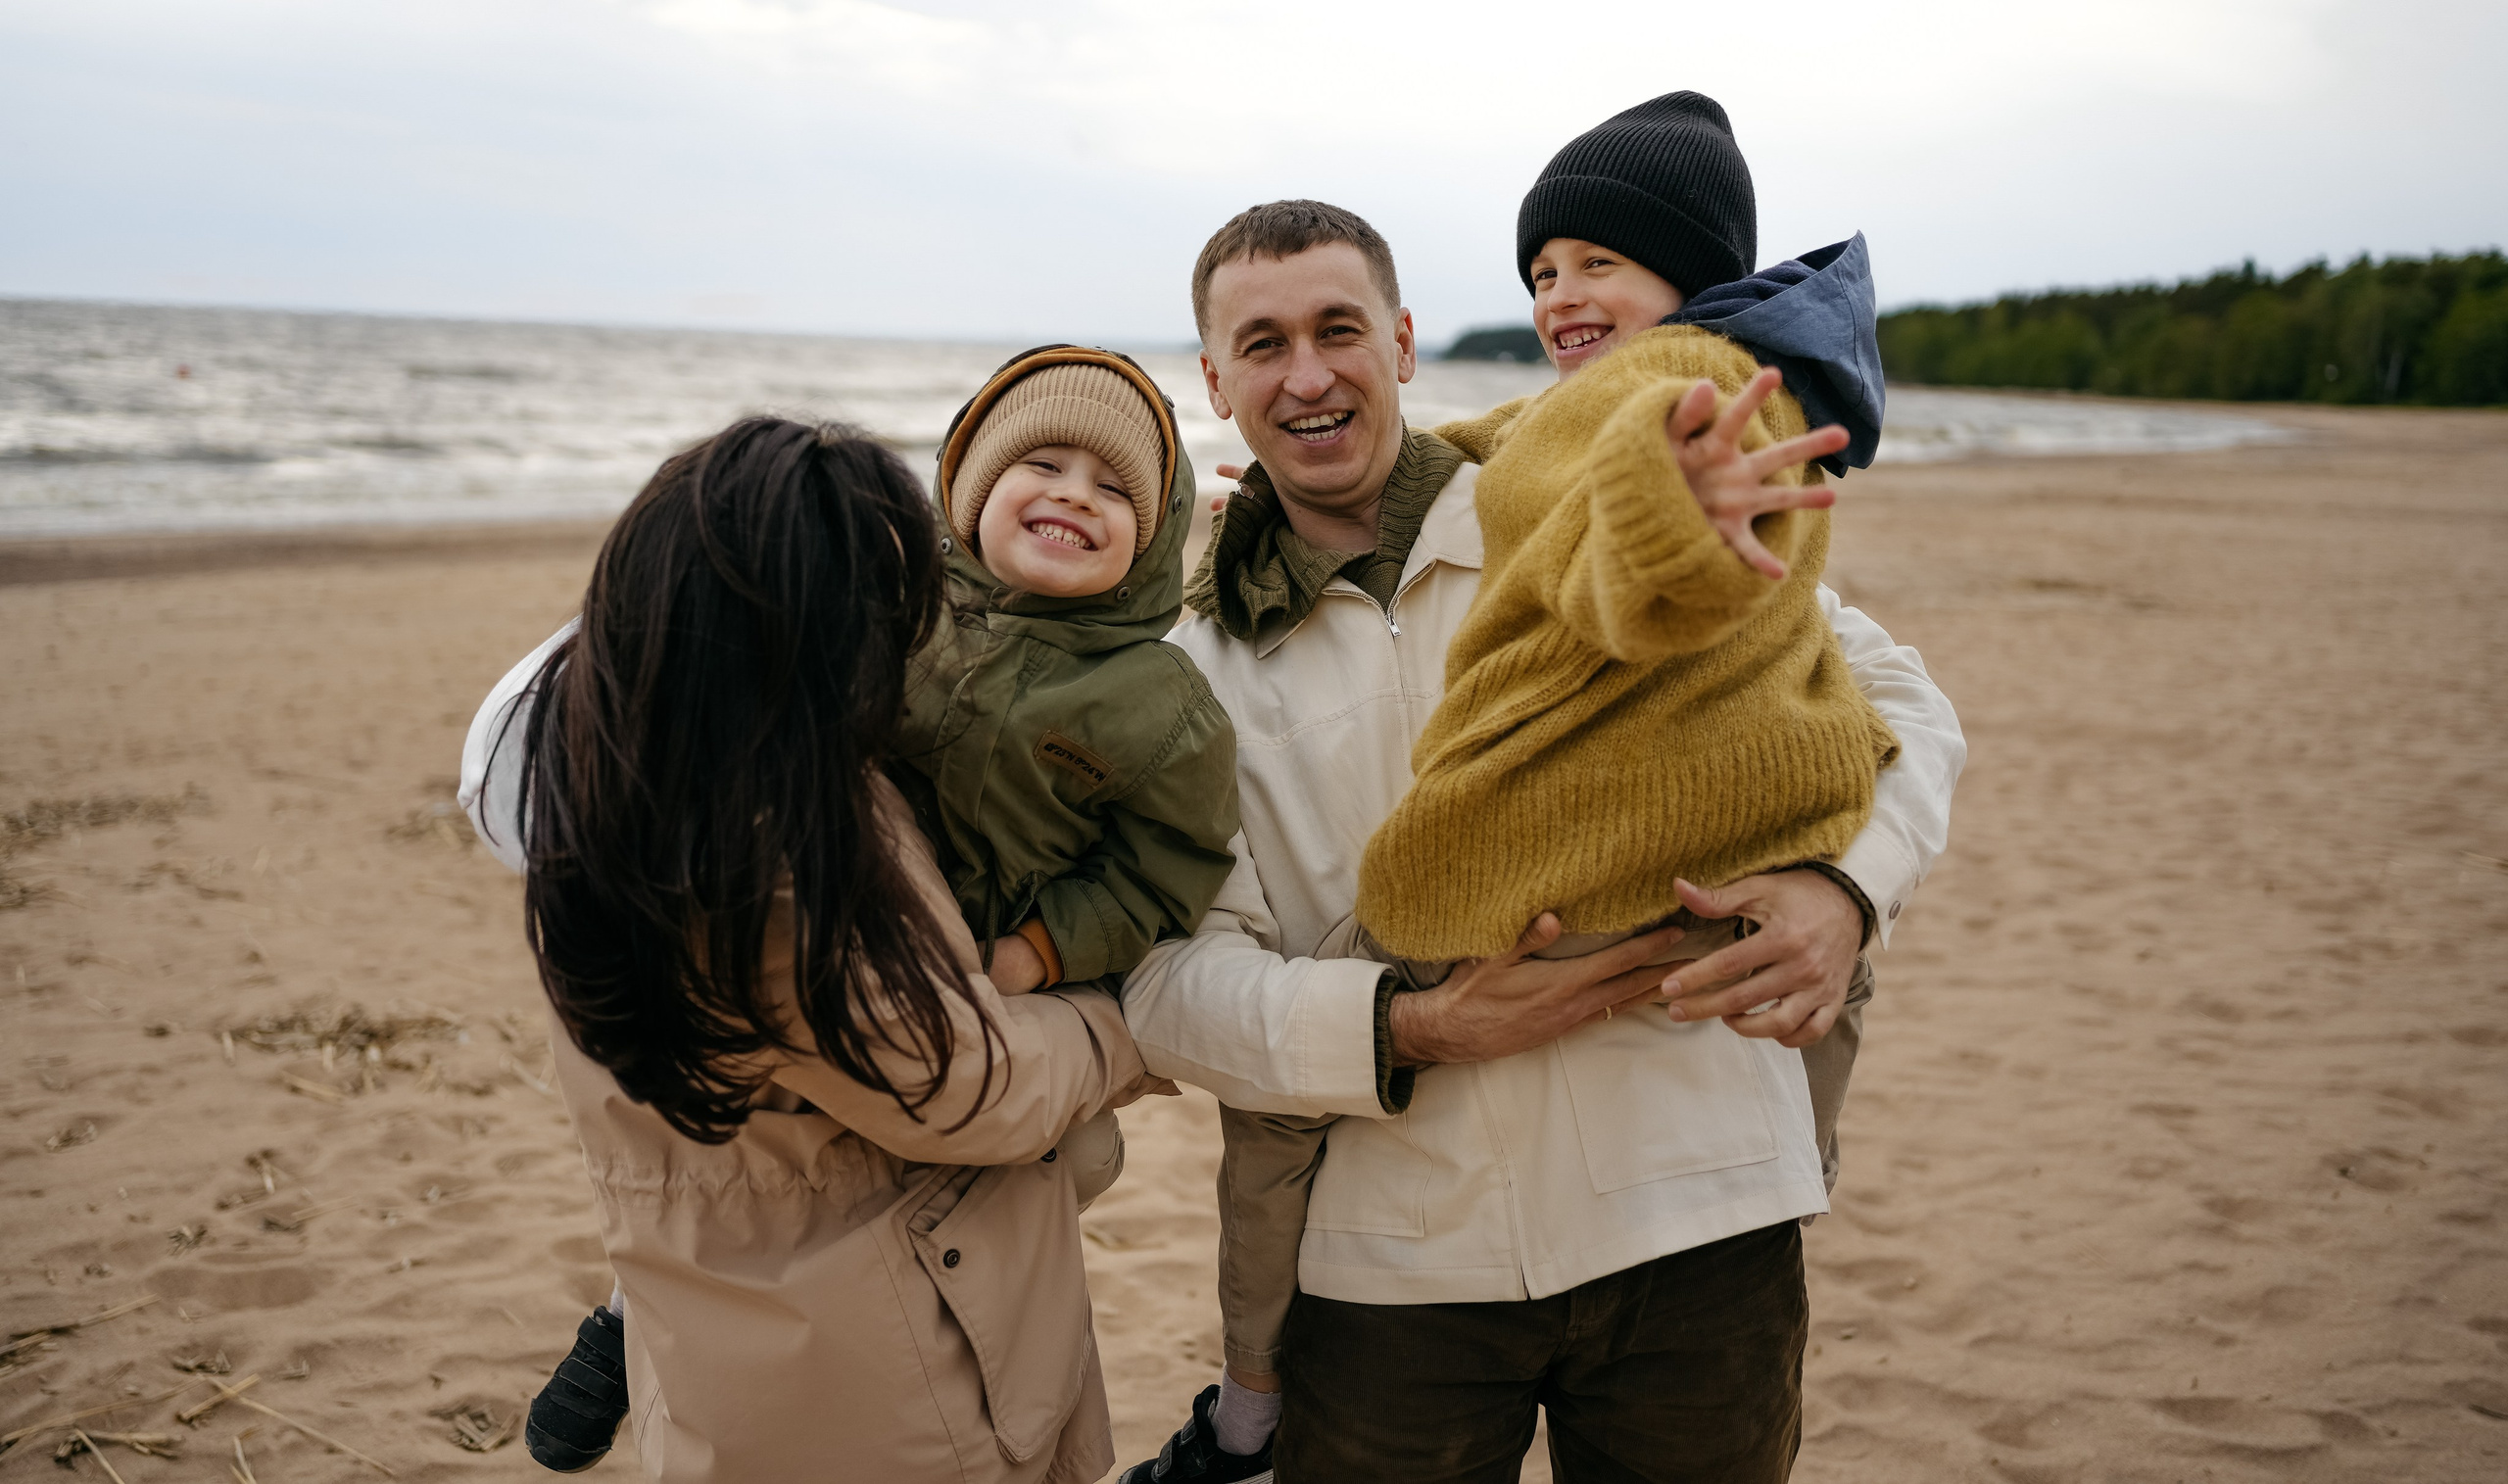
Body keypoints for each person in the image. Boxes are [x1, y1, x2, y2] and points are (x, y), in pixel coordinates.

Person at [1120, 135, 1965, 1479]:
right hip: (1391, 1257)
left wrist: (1844, 888)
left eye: (1341, 328)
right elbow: (1169, 982)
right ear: (1213, 382)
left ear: (1401, 340)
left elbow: (1904, 706)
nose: (1310, 372)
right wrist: (1413, 1022)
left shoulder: (1581, 492)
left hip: (1696, 1198)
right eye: (1263, 343)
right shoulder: (1186, 669)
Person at [457, 416, 1154, 1482]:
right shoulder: (774, 863)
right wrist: (1121, 1027)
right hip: (876, 1386)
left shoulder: (586, 737)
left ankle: (613, 1327)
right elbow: (974, 1089)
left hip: (709, 1304)